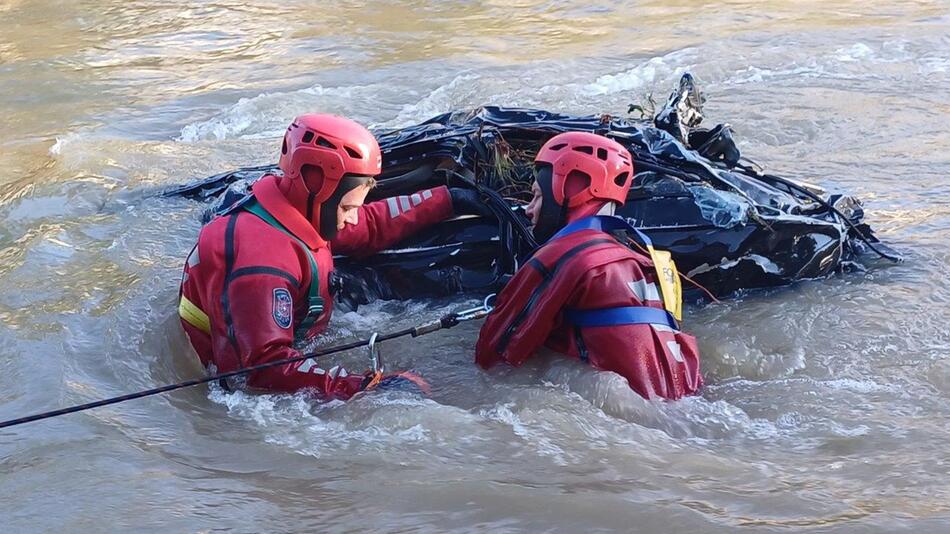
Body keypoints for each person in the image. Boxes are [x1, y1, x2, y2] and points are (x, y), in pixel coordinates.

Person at [179, 113, 486, 399]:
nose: (352, 218)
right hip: (246, 366)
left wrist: (447, 199)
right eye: (347, 208)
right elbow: (261, 372)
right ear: (315, 186)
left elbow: (370, 223)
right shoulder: (260, 263)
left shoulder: (296, 209)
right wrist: (365, 387)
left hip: (286, 331)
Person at [474, 131, 703, 400]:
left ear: (569, 188)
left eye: (536, 196)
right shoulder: (650, 262)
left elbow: (492, 358)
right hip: (687, 405)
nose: (528, 209)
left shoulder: (562, 255)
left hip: (627, 418)